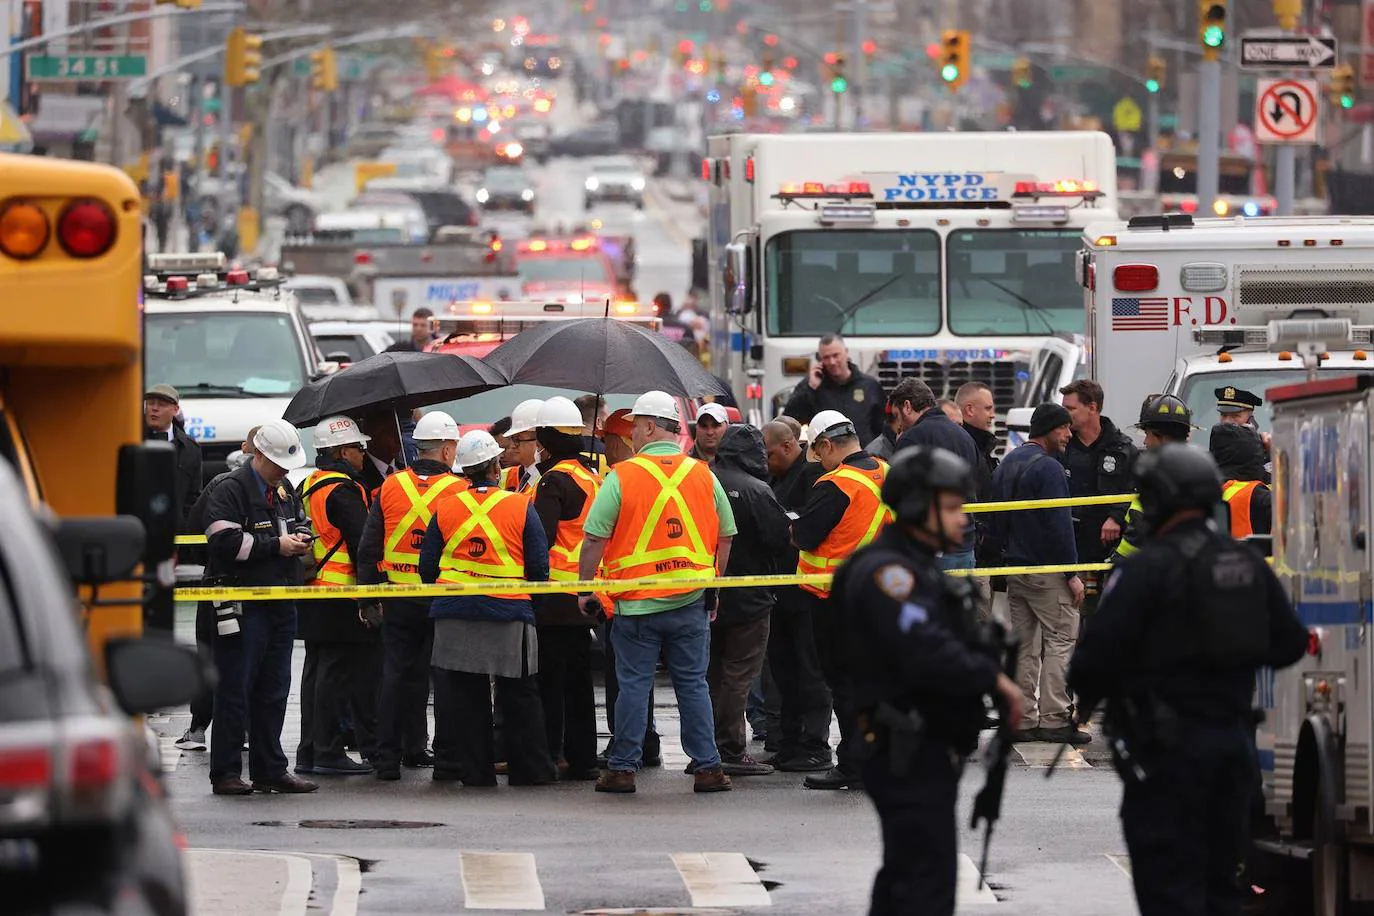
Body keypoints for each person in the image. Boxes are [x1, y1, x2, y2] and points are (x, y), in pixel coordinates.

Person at [1068, 444, 1308, 916]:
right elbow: (1290, 644)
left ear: (1158, 503)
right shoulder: (1244, 565)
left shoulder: (1142, 571)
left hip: (1164, 756)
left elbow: (1088, 666)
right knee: (1221, 885)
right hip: (1231, 748)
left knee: (1168, 887)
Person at [837, 445, 1022, 916]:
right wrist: (995, 681)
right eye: (952, 506)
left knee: (909, 873)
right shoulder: (889, 573)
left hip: (925, 743)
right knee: (925, 879)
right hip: (904, 744)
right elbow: (923, 650)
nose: (963, 518)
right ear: (921, 507)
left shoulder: (917, 567)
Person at [577, 390, 738, 794]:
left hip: (636, 606)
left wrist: (584, 588)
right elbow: (726, 535)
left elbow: (595, 536)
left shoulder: (623, 476)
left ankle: (622, 769)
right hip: (690, 602)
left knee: (633, 685)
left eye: (634, 426)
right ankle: (708, 768)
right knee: (693, 685)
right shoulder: (703, 473)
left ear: (650, 426)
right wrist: (713, 588)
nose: (631, 433)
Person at [421, 430, 554, 786]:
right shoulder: (519, 505)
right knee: (520, 694)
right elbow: (539, 567)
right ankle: (531, 772)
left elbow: (427, 566)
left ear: (465, 471)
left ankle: (474, 773)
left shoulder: (446, 507)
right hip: (508, 611)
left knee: (465, 696)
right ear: (496, 467)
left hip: (454, 612)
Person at [202, 419, 318, 796]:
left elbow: (299, 521)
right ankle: (226, 772)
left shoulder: (283, 488)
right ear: (261, 456)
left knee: (274, 688)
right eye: (279, 463)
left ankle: (271, 769)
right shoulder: (229, 489)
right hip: (241, 602)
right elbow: (223, 543)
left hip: (280, 600)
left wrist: (300, 536)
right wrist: (276, 546)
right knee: (235, 687)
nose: (285, 470)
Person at [357, 411, 464, 780]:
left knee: (397, 675)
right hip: (440, 596)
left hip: (397, 595)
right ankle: (441, 757)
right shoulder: (459, 490)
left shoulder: (391, 485)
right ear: (448, 449)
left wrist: (367, 598)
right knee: (443, 676)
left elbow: (369, 546)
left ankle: (387, 759)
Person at [792, 409, 894, 789]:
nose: (818, 462)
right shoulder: (886, 472)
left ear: (827, 445)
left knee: (847, 684)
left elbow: (804, 537)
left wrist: (794, 526)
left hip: (837, 600)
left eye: (818, 455)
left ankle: (854, 764)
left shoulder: (835, 484)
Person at [990, 402, 1086, 745]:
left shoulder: (1006, 465)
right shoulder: (1049, 469)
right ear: (1049, 429)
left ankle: (1023, 718)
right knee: (1061, 640)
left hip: (1016, 570)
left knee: (1025, 648)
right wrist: (1072, 573)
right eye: (1064, 428)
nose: (1069, 434)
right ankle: (1055, 718)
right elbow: (1060, 525)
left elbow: (996, 522)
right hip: (1048, 573)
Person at [294, 416, 378, 777]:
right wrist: (368, 596)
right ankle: (328, 751)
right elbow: (363, 543)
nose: (364, 453)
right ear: (344, 451)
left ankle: (310, 750)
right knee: (335, 676)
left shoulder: (310, 484)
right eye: (360, 448)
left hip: (314, 591)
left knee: (316, 673)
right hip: (339, 592)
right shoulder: (344, 489)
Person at [706, 424, 792, 776]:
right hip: (751, 598)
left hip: (704, 593)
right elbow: (779, 540)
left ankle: (706, 746)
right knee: (738, 676)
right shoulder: (758, 490)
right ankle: (731, 749)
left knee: (708, 675)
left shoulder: (701, 480)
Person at [531, 397, 602, 781]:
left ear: (545, 437)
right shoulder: (591, 477)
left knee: (550, 684)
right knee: (579, 685)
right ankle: (584, 759)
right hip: (585, 594)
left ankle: (552, 754)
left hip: (555, 597)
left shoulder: (552, 480)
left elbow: (540, 537)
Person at [176, 426, 259, 753]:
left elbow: (195, 533)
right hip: (252, 586)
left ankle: (199, 728)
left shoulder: (221, 485)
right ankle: (246, 730)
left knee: (213, 656)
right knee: (249, 660)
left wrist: (212, 562)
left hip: (220, 583)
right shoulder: (275, 490)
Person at [594, 406, 663, 768]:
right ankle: (644, 740)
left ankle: (627, 745)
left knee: (626, 678)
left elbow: (598, 536)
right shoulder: (632, 476)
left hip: (625, 593)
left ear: (625, 439)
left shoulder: (622, 478)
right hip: (653, 588)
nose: (604, 448)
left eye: (607, 440)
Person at [761, 418, 831, 771]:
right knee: (784, 671)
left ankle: (815, 744)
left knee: (811, 671)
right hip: (782, 590)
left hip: (807, 592)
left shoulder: (812, 477)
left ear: (789, 446)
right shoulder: (775, 476)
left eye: (769, 452)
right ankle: (790, 741)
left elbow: (806, 530)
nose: (765, 459)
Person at [1058, 380, 1138, 612]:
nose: (1064, 414)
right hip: (1072, 545)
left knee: (1109, 610)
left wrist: (1116, 516)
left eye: (1070, 409)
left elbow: (1136, 491)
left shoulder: (1122, 449)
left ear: (1092, 408)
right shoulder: (1062, 446)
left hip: (1109, 547)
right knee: (1073, 613)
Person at [889, 378, 980, 570]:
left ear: (907, 406)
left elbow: (901, 495)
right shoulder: (965, 437)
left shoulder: (912, 438)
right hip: (965, 542)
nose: (898, 425)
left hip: (930, 548)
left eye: (897, 416)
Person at [1113, 394, 1193, 560]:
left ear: (1161, 438)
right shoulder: (1200, 472)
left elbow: (1135, 536)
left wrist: (1115, 563)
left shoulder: (1154, 478)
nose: (1145, 442)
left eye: (1147, 434)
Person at [782, 334, 887, 444]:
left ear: (846, 352)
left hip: (864, 456)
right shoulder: (811, 387)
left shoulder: (869, 386)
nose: (832, 362)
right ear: (820, 359)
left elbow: (883, 427)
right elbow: (790, 422)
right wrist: (810, 389)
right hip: (825, 457)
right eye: (826, 357)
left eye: (836, 355)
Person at [956, 381, 999, 621]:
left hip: (978, 553)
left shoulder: (978, 447)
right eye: (989, 408)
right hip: (972, 555)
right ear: (970, 409)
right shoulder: (968, 448)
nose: (993, 414)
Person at [144, 384, 202, 526]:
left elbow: (193, 496)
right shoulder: (132, 441)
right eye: (150, 403)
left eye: (162, 404)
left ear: (175, 410)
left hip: (176, 533)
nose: (154, 408)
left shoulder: (190, 448)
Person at [1209, 423, 1274, 538]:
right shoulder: (1254, 495)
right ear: (1254, 454)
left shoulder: (1202, 490)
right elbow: (1297, 507)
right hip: (1250, 555)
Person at [501, 399, 544, 494]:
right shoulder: (520, 474)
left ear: (540, 440)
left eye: (517, 439)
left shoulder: (550, 479)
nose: (512, 446)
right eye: (512, 438)